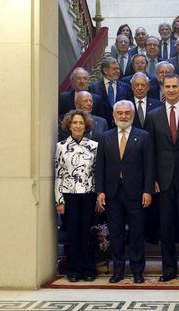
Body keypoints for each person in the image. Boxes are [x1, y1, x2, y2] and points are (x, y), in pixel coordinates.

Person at [144, 73, 179, 282]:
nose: (171, 90)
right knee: (166, 227)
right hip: (163, 179)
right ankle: (168, 269)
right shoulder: (152, 116)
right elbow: (150, 151)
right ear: (162, 89)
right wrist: (152, 180)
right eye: (167, 86)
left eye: (174, 86)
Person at [95, 100, 154, 284]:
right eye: (119, 113)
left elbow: (149, 166)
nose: (123, 116)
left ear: (133, 115)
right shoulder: (105, 137)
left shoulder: (143, 136)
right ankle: (118, 270)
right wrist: (100, 191)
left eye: (127, 113)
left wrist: (148, 190)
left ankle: (137, 271)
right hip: (112, 193)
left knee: (137, 233)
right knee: (115, 233)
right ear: (113, 116)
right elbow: (100, 167)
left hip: (136, 193)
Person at [55, 109, 98, 282]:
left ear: (85, 125)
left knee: (87, 232)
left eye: (81, 122)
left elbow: (97, 172)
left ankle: (88, 268)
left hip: (89, 195)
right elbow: (58, 173)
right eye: (75, 123)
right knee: (72, 233)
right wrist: (59, 200)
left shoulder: (94, 146)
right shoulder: (61, 146)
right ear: (69, 125)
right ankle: (73, 269)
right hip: (69, 195)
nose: (78, 125)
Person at [89, 57, 131, 128]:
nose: (118, 71)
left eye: (118, 69)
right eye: (114, 69)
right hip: (101, 127)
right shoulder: (94, 88)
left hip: (121, 126)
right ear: (105, 70)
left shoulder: (125, 87)